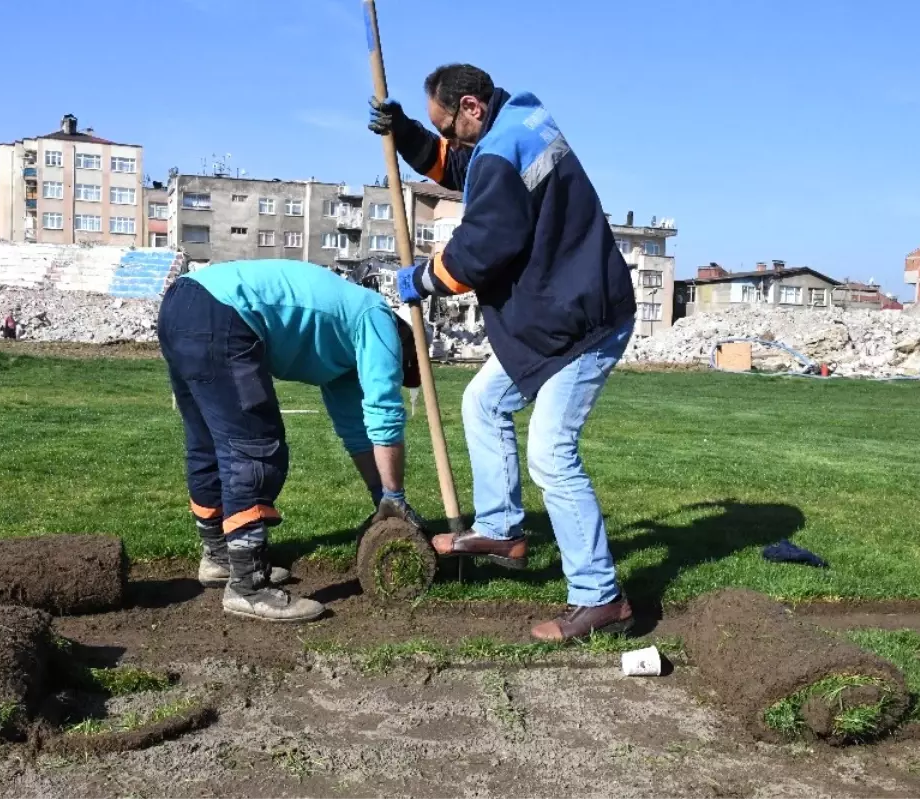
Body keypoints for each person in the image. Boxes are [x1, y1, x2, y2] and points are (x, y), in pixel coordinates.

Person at [370, 64, 637, 642]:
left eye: (449, 125)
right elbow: (462, 166)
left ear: (471, 106)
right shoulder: (518, 123)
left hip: (582, 323)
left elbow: (481, 249)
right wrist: (409, 133)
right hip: (560, 313)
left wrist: (422, 279)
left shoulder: (497, 151)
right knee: (483, 402)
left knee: (550, 455)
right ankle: (501, 528)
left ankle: (601, 599)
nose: (451, 139)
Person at [158, 260, 426, 623]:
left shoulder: (345, 345)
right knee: (253, 445)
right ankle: (248, 586)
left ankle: (221, 557)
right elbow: (384, 413)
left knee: (207, 445)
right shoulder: (377, 320)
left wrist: (382, 497)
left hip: (182, 304)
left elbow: (357, 432)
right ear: (404, 346)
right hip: (222, 312)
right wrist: (395, 497)